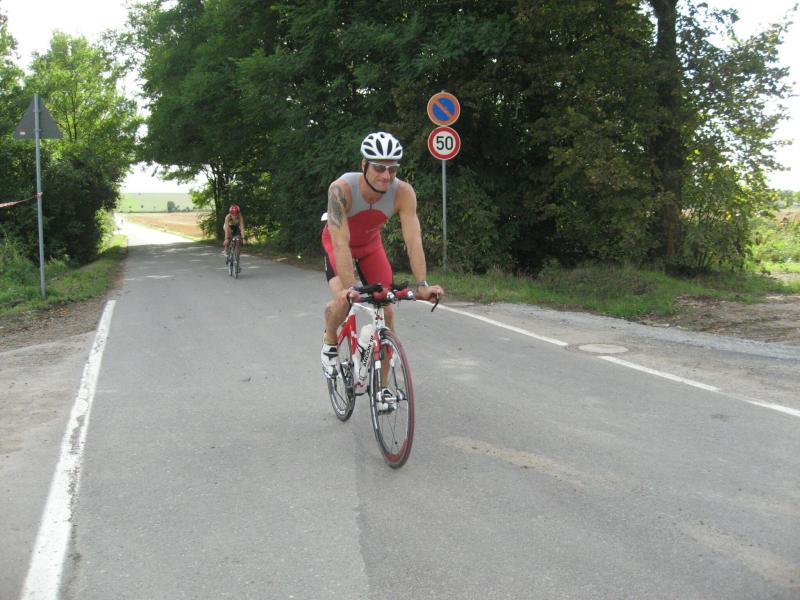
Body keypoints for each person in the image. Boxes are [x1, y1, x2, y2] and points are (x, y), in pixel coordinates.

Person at [320, 131, 444, 377]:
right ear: (364, 165)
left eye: (393, 169)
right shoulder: (341, 189)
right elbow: (341, 243)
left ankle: (384, 389)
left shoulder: (403, 192)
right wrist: (350, 288)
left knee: (386, 309)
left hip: (370, 247)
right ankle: (330, 340)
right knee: (344, 300)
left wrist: (422, 284)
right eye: (379, 167)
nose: (386, 176)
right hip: (338, 245)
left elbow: (413, 239)